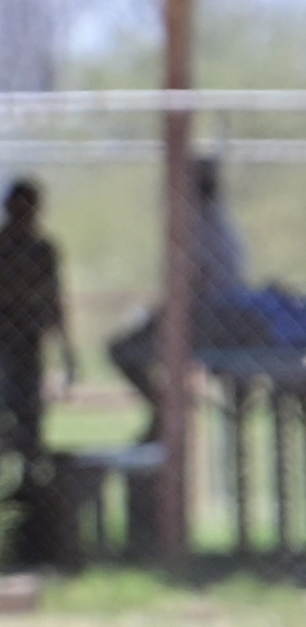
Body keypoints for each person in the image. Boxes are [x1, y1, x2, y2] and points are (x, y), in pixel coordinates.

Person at [0, 177, 75, 568]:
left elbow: (54, 303)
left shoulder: (43, 252)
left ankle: (33, 531)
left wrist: (66, 352)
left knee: (30, 442)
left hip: (27, 357)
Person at [108, 157, 252, 443]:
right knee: (131, 346)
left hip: (205, 318)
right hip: (213, 317)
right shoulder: (218, 221)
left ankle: (167, 410)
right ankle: (167, 409)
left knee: (122, 350)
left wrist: (161, 313)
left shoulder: (199, 223)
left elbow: (193, 283)